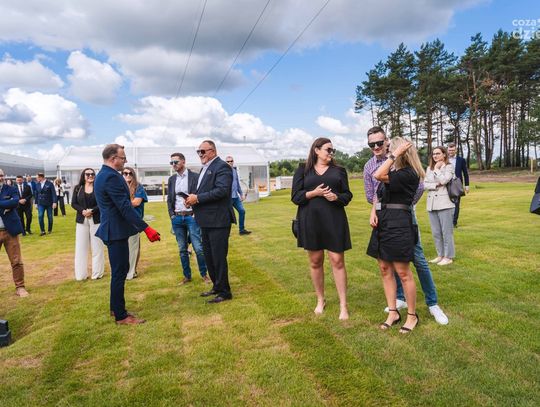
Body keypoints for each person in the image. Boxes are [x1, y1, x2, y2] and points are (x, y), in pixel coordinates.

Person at [363, 126, 448, 324]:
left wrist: (404, 207)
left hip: (402, 214)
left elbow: (417, 189)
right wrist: (375, 209)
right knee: (388, 261)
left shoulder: (403, 165)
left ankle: (432, 303)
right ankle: (399, 299)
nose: (376, 147)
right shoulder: (369, 165)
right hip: (383, 215)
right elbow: (372, 194)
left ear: (387, 142)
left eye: (379, 143)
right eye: (371, 144)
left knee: (417, 259)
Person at [94, 144, 161, 325]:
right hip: (115, 231)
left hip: (114, 229)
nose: (125, 161)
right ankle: (121, 315)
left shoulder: (104, 174)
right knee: (120, 271)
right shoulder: (111, 177)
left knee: (119, 270)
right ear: (113, 158)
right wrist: (146, 228)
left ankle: (115, 308)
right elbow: (124, 207)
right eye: (123, 158)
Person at [367, 137, 424, 333]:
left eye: (392, 149)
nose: (388, 152)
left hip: (399, 224)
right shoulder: (393, 172)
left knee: (403, 272)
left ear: (401, 152)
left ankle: (412, 315)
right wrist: (374, 211)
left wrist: (394, 155)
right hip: (383, 223)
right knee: (384, 269)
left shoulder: (409, 173)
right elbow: (378, 194)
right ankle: (393, 312)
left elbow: (377, 175)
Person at [292, 138, 352, 320]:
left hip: (334, 219)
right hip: (311, 220)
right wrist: (314, 193)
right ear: (316, 150)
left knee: (337, 260)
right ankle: (320, 299)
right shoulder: (303, 170)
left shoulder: (339, 171)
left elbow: (347, 195)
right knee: (315, 261)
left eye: (333, 150)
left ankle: (343, 305)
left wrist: (336, 197)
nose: (331, 153)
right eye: (328, 149)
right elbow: (295, 197)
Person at [185, 140, 235, 304]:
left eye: (203, 151)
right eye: (198, 152)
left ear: (213, 151)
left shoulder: (222, 167)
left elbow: (221, 191)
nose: (200, 154)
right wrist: (192, 200)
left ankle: (225, 292)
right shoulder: (205, 168)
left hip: (218, 220)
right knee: (209, 256)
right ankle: (217, 286)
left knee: (218, 257)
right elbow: (204, 191)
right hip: (206, 220)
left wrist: (197, 198)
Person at [167, 153, 209, 285]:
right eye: (171, 163)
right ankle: (187, 276)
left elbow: (200, 195)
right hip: (177, 218)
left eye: (176, 162)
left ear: (183, 162)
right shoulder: (172, 179)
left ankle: (204, 275)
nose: (173, 165)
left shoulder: (195, 177)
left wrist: (196, 213)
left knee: (198, 248)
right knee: (182, 249)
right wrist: (172, 215)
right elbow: (170, 199)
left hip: (192, 216)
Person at [71, 168, 104, 280]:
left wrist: (92, 211)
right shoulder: (78, 188)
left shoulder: (99, 187)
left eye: (92, 174)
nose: (90, 176)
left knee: (97, 247)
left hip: (96, 220)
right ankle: (81, 275)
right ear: (83, 176)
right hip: (82, 220)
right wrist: (83, 211)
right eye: (88, 174)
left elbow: (102, 203)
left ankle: (97, 274)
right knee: (81, 247)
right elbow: (73, 203)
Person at [0, 169, 29, 297]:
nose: (0, 178)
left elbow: (14, 201)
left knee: (16, 261)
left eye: (1, 175)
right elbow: (10, 203)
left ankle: (20, 287)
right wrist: (5, 205)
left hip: (10, 231)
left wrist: (8, 203)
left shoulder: (11, 189)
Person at [425, 146, 456, 266]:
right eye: (434, 154)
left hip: (445, 203)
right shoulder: (429, 168)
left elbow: (444, 181)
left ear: (444, 154)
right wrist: (435, 185)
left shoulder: (449, 167)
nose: (435, 156)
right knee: (436, 232)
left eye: (438, 153)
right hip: (431, 204)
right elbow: (425, 184)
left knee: (446, 232)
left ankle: (448, 257)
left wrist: (437, 170)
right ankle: (440, 255)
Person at [123, 166, 148, 280]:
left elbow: (136, 202)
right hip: (122, 221)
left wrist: (121, 203)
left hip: (134, 221)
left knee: (133, 247)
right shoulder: (120, 187)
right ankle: (126, 270)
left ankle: (131, 272)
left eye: (130, 173)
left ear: (133, 175)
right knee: (123, 247)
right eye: (125, 173)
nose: (128, 175)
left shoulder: (138, 187)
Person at [226, 155, 251, 235]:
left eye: (231, 161)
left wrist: (241, 194)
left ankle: (241, 230)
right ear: (225, 162)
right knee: (228, 215)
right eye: (228, 161)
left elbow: (237, 184)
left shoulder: (234, 171)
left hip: (235, 197)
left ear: (233, 162)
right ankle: (226, 232)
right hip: (228, 198)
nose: (230, 162)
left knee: (242, 211)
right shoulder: (223, 172)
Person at [447, 143, 469, 227]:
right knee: (446, 203)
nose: (451, 152)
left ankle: (454, 222)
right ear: (447, 150)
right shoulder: (444, 159)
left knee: (456, 204)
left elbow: (465, 173)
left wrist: (467, 186)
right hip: (445, 183)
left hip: (457, 184)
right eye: (449, 150)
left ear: (456, 150)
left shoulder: (461, 160)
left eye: (453, 150)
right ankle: (447, 221)